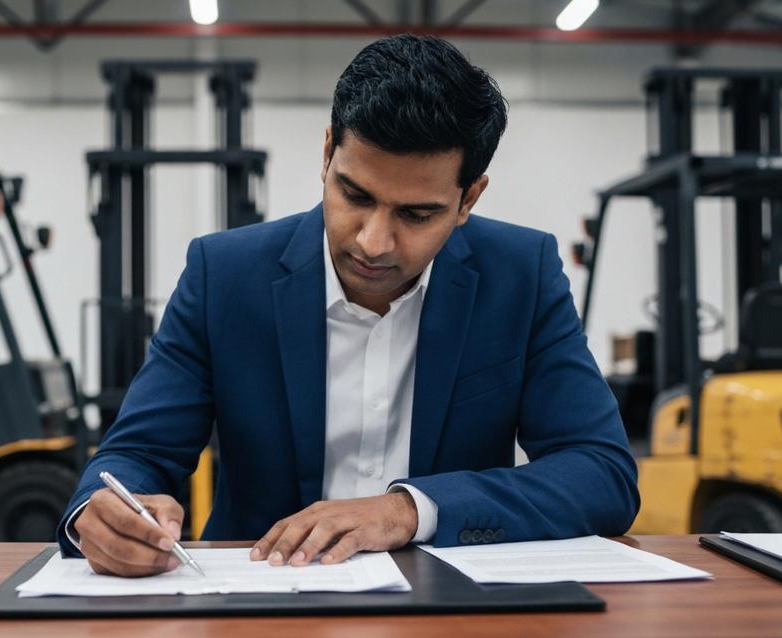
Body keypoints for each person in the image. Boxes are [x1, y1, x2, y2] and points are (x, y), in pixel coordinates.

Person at [58, 34, 639, 577]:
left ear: (469, 199)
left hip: (450, 602)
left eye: (417, 215)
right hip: (260, 596)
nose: (373, 241)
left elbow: (601, 471)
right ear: (328, 151)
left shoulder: (520, 274)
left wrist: (409, 511)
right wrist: (103, 511)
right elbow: (137, 452)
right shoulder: (225, 276)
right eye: (355, 195)